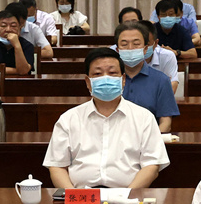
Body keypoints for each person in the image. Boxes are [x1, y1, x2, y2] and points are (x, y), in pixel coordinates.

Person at [44, 48, 170, 188]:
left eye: (112, 73)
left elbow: (152, 166)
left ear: (123, 80)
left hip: (128, 195)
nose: (105, 78)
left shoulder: (144, 118)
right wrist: (75, 197)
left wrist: (126, 195)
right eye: (98, 74)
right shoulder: (69, 119)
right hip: (81, 196)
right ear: (88, 82)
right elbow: (57, 166)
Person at [115, 21, 180, 132]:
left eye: (136, 44)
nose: (130, 48)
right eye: (124, 44)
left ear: (145, 49)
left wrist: (152, 141)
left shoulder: (161, 80)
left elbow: (166, 123)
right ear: (117, 50)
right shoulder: (109, 79)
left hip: (149, 139)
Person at [0, 10, 34, 75]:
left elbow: (24, 71)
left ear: (20, 29)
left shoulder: (27, 45)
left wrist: (17, 46)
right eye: (3, 26)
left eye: (13, 26)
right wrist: (17, 71)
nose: (8, 29)